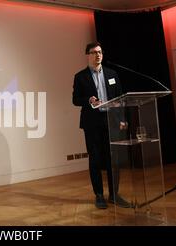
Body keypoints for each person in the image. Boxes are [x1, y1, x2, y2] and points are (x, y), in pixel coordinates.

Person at [72, 42, 131, 209]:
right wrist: (88, 100)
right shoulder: (80, 76)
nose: (97, 55)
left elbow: (120, 98)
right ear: (88, 55)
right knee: (95, 160)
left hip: (111, 121)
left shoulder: (112, 74)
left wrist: (122, 118)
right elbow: (75, 100)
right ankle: (99, 195)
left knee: (114, 160)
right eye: (93, 52)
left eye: (100, 52)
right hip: (92, 123)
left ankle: (114, 194)